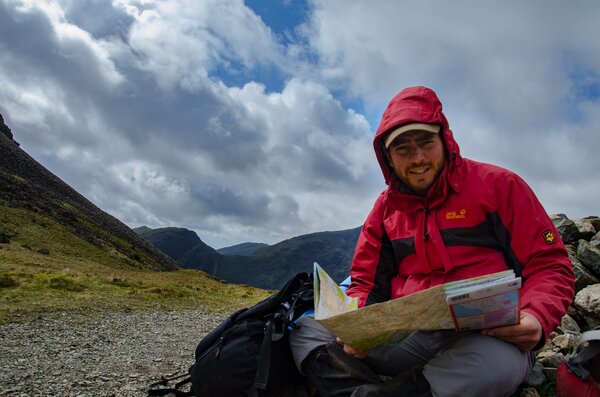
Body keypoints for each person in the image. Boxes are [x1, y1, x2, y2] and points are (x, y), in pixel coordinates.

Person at [289, 86, 575, 397]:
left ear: (445, 140)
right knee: (307, 329)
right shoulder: (385, 210)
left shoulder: (501, 186)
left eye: (426, 142)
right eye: (403, 149)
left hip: (490, 336)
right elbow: (365, 282)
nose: (419, 158)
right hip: (410, 337)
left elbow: (550, 265)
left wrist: (536, 317)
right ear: (388, 158)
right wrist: (356, 327)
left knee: (493, 366)